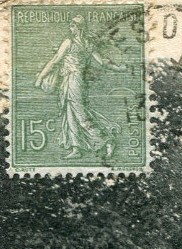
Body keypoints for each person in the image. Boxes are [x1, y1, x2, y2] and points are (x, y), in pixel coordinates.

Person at [35, 15, 126, 159]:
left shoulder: (69, 42)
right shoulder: (87, 44)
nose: (70, 28)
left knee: (80, 114)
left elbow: (54, 61)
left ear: (78, 28)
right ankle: (76, 148)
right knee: (70, 113)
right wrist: (119, 68)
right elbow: (102, 61)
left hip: (73, 80)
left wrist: (40, 77)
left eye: (72, 26)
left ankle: (107, 140)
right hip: (74, 81)